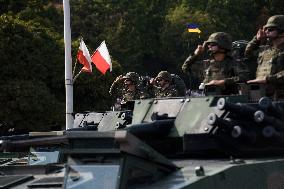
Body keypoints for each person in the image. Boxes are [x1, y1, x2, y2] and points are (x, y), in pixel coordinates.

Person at [182, 32, 249, 95]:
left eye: (213, 44)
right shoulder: (206, 64)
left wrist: (223, 82)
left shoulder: (233, 63)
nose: (209, 46)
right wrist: (195, 55)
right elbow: (185, 67)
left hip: (227, 101)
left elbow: (244, 77)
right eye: (208, 44)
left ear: (223, 46)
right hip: (207, 101)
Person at [245, 15, 284, 99]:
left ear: (281, 30)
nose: (266, 31)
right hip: (261, 95)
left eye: (270, 29)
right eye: (265, 29)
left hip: (280, 97)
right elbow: (248, 53)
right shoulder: (265, 50)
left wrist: (267, 79)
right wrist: (257, 39)